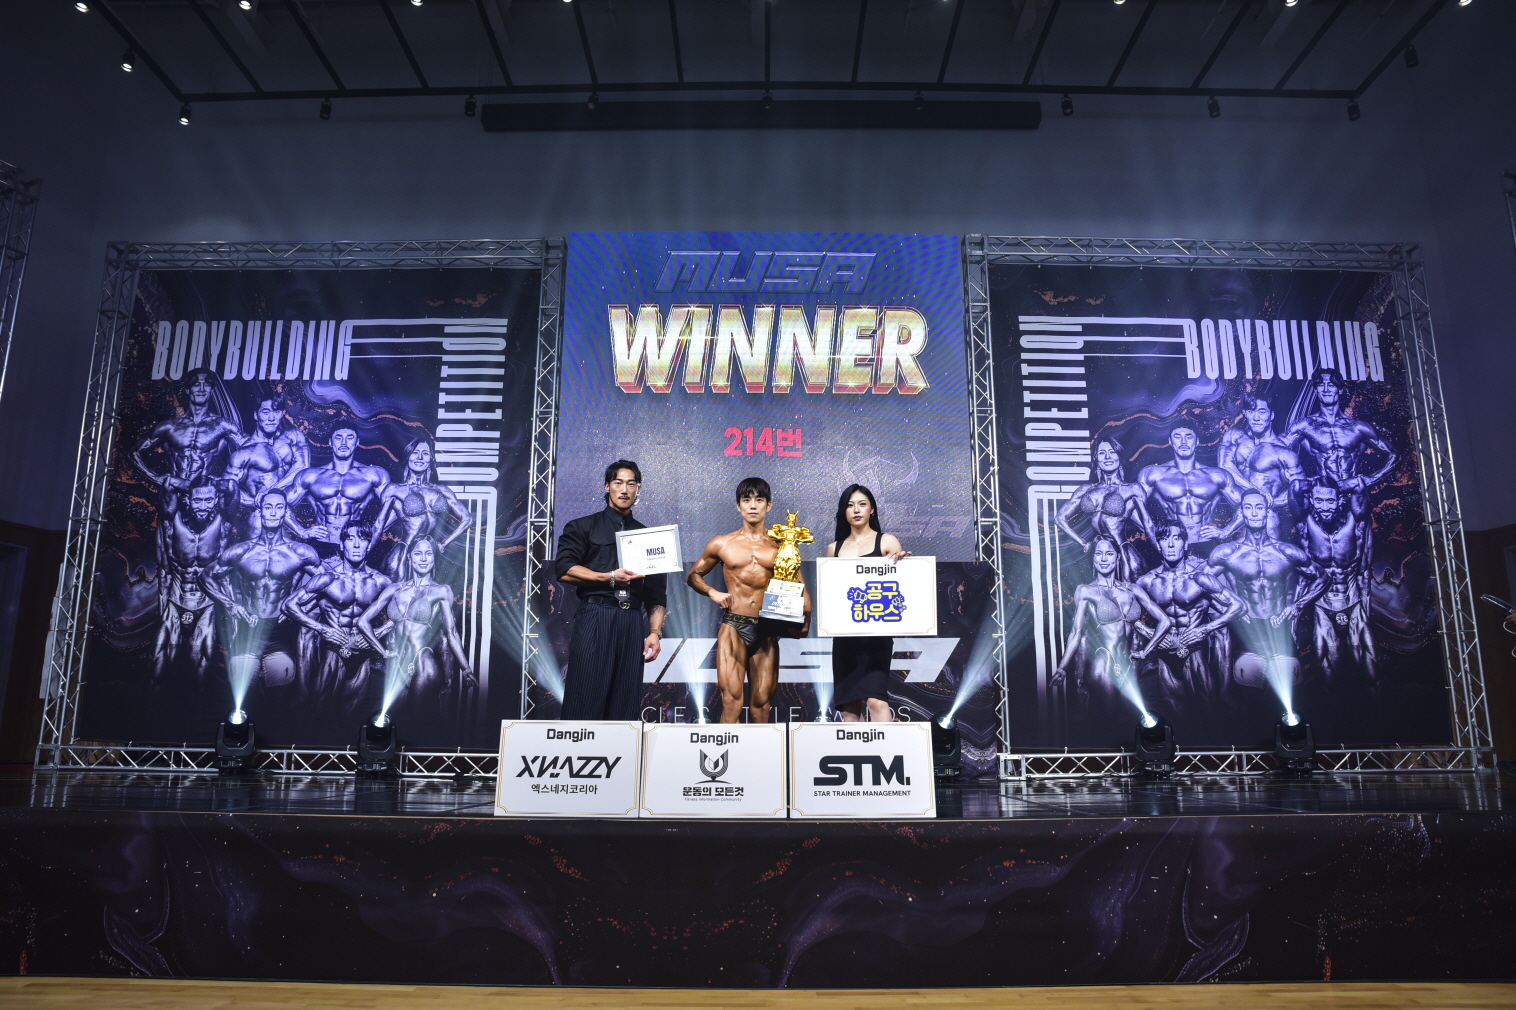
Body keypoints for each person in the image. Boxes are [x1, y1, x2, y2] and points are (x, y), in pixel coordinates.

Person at [688, 477, 811, 724]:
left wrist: (805, 618)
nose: (753, 505)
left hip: (766, 628)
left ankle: (759, 751)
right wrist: (713, 592)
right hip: (734, 625)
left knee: (761, 705)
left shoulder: (782, 545)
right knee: (731, 701)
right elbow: (694, 576)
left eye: (759, 500)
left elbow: (801, 587)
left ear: (769, 505)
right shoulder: (722, 543)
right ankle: (728, 750)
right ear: (738, 506)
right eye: (746, 500)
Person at [554, 460, 667, 721]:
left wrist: (654, 632)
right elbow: (564, 569)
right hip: (596, 614)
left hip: (632, 621)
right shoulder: (582, 526)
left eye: (631, 484)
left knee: (625, 702)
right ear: (607, 486)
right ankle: (578, 745)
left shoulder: (649, 537)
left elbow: (657, 594)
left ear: (638, 489)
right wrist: (608, 578)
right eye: (618, 483)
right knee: (584, 696)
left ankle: (622, 748)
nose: (624, 490)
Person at [203, 488, 328, 699]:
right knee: (242, 700)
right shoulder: (242, 551)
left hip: (279, 633)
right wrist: (231, 604)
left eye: (279, 507)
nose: (273, 512)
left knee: (278, 699)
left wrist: (297, 606)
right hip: (246, 632)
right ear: (260, 511)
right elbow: (205, 577)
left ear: (285, 513)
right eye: (268, 507)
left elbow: (327, 582)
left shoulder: (299, 552)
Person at [1207, 491, 1324, 692]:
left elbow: (1322, 578)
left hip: (1280, 630)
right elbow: (1201, 582)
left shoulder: (1286, 552)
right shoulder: (1228, 552)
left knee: (1289, 695)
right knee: (1250, 696)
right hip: (1248, 631)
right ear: (1241, 512)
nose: (1254, 513)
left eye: (1259, 507)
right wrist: (1230, 605)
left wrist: (1297, 606)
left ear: (1267, 511)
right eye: (1248, 507)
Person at [357, 536, 474, 715]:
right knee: (392, 719)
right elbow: (362, 622)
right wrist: (383, 652)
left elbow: (451, 632)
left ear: (434, 558)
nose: (424, 558)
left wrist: (466, 669)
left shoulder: (441, 590)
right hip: (397, 664)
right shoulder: (395, 589)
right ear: (410, 557)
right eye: (418, 553)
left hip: (423, 663)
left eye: (429, 553)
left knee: (413, 721)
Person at [1053, 535, 1171, 710]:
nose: (1103, 559)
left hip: (1131, 665)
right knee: (1108, 718)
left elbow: (1165, 621)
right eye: (1098, 553)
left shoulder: (1132, 589)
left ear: (1117, 557)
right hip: (1105, 662)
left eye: (1109, 554)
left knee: (1130, 718)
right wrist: (1062, 668)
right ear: (1093, 558)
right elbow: (1076, 632)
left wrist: (1145, 652)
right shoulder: (1086, 591)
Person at [285, 522, 392, 709]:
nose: (356, 545)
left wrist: (377, 633)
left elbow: (405, 612)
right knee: (318, 713)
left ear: (369, 545)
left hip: (363, 657)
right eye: (350, 539)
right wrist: (322, 629)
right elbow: (288, 605)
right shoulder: (328, 579)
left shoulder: (381, 581)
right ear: (342, 545)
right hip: (335, 652)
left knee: (354, 717)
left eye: (362, 539)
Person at [825, 484, 908, 723]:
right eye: (850, 505)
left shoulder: (887, 542)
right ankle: (857, 748)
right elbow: (832, 594)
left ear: (872, 509)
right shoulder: (834, 549)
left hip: (876, 634)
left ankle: (887, 747)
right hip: (845, 636)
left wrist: (902, 564)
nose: (856, 510)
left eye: (862, 504)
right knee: (849, 707)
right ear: (844, 511)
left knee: (876, 701)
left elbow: (901, 589)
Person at [1136, 523, 1243, 705]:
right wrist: (1150, 633)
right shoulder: (1147, 581)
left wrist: (1206, 629)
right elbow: (1124, 612)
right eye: (1164, 539)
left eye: (1176, 538)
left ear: (1185, 544)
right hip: (1164, 655)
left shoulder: (1199, 579)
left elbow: (1239, 606)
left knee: (1207, 711)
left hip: (1193, 651)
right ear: (1158, 545)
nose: (1171, 544)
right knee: (1173, 713)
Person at [152, 479, 226, 685]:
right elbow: (168, 484)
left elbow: (231, 488)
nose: (203, 506)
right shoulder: (171, 522)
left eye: (208, 500)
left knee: (200, 675)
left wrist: (212, 484)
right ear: (188, 500)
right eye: (197, 500)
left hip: (206, 607)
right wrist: (193, 485)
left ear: (215, 500)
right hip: (175, 603)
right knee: (156, 673)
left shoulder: (222, 524)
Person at [369, 436, 473, 581]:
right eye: (415, 453)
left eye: (425, 453)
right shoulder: (395, 489)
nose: (420, 457)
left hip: (429, 554)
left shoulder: (442, 490)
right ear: (408, 456)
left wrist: (443, 544)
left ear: (431, 458)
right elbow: (379, 526)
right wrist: (364, 552)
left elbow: (467, 519)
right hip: (404, 555)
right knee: (398, 593)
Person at [1055, 436, 1157, 580]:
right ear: (1096, 458)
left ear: (1119, 456)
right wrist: (1084, 543)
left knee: (1129, 592)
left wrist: (1162, 550)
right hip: (1099, 553)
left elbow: (1147, 525)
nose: (1107, 457)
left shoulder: (1132, 489)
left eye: (1112, 452)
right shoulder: (1086, 489)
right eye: (1102, 453)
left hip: (1123, 554)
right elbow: (1059, 519)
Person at [277, 426, 391, 548]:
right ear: (330, 442)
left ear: (357, 442)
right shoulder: (311, 476)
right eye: (338, 437)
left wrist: (376, 531)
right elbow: (277, 502)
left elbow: (395, 505)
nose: (344, 442)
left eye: (349, 438)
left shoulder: (373, 475)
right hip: (319, 544)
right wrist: (301, 531)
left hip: (354, 546)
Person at [1137, 425, 1248, 549]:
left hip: (1208, 545)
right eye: (1177, 437)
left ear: (1197, 442)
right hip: (1172, 546)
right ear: (1170, 441)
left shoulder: (1216, 475)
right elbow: (1131, 506)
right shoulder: (1154, 474)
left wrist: (1226, 531)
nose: (1183, 441)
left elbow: (1249, 504)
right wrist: (1151, 530)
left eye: (1188, 437)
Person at [1217, 397, 1305, 539]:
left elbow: (1299, 488)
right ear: (1245, 413)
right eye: (1251, 412)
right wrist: (1257, 492)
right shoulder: (1234, 436)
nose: (1256, 418)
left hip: (1262, 512)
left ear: (1271, 415)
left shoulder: (1283, 453)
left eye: (1262, 412)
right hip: (1234, 503)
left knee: (1269, 523)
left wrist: (1269, 502)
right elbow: (1224, 468)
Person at [221, 396, 310, 510]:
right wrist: (256, 502)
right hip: (265, 511)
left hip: (292, 503)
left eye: (276, 412)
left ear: (282, 414)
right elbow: (227, 487)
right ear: (256, 415)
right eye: (266, 412)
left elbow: (303, 467)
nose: (271, 418)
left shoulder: (293, 436)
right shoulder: (244, 453)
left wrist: (271, 491)